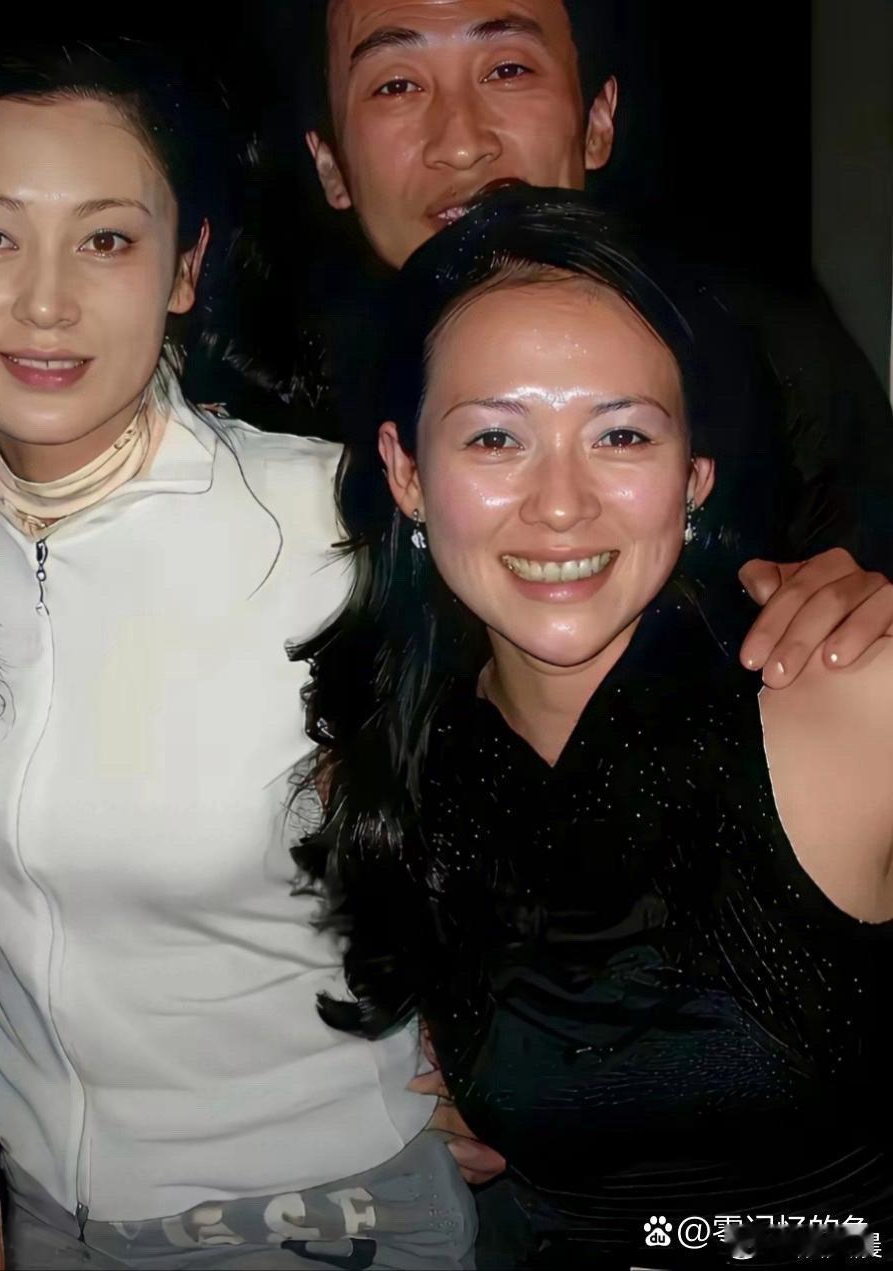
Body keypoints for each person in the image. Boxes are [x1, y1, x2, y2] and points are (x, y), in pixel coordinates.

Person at [0, 41, 479, 1270]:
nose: (45, 302)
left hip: (307, 1213)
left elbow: (582, 742)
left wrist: (531, 1053)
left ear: (185, 268)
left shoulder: (333, 523)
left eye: (106, 239)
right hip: (14, 1198)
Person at [295, 187, 893, 1268]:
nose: (562, 503)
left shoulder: (846, 696)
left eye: (620, 433)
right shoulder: (395, 777)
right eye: (496, 437)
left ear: (693, 476)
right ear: (406, 473)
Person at [281, 0, 893, 595]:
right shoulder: (275, 427)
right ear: (331, 166)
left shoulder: (763, 355)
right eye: (396, 86)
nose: (463, 144)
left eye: (508, 70)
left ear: (597, 121)